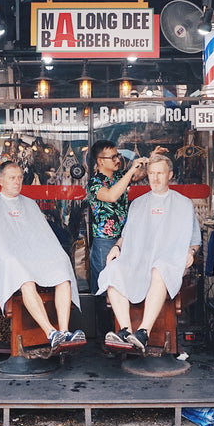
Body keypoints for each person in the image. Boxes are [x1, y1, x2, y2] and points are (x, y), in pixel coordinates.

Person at [0, 161, 85, 350]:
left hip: (34, 259)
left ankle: (64, 332)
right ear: (1, 181)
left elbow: (44, 237)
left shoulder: (30, 205)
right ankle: (50, 333)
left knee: (62, 267)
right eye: (12, 178)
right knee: (23, 276)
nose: (17, 181)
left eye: (20, 177)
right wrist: (13, 258)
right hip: (11, 265)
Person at [98, 154, 201, 352]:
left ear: (169, 175)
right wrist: (117, 247)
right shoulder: (138, 204)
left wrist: (191, 252)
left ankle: (143, 332)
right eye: (151, 173)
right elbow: (126, 236)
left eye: (160, 173)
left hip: (168, 262)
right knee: (114, 269)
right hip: (139, 260)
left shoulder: (184, 204)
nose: (155, 178)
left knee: (159, 268)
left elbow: (195, 241)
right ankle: (126, 332)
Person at [86, 141, 149, 334]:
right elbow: (112, 196)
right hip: (105, 242)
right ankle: (106, 338)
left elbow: (141, 174)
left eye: (117, 156)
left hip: (126, 239)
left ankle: (127, 332)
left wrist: (149, 160)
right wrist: (130, 173)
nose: (117, 160)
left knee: (125, 284)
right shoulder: (94, 183)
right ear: (99, 161)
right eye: (112, 157)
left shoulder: (120, 176)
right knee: (105, 290)